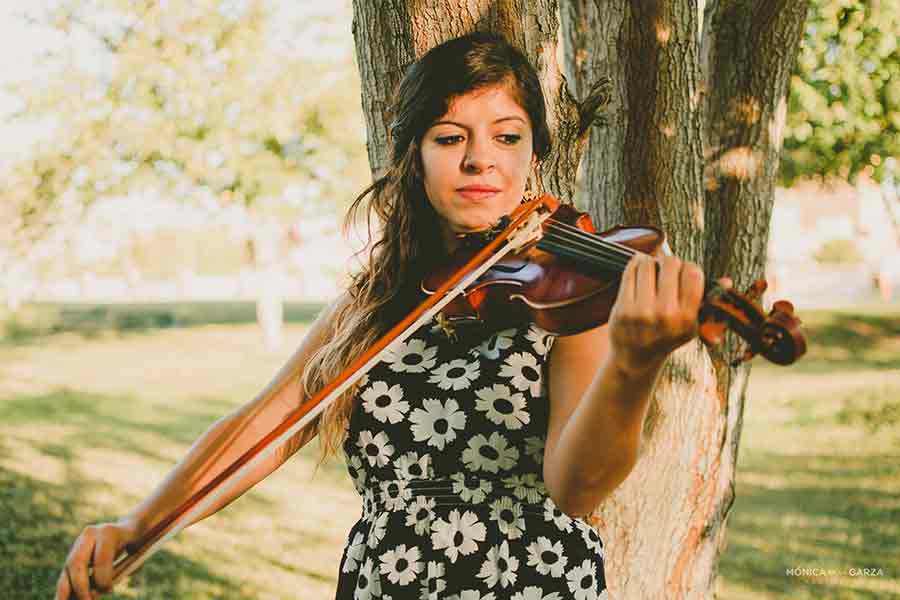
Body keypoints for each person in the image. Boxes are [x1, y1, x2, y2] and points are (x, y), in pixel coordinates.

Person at [56, 31, 705, 600]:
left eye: (508, 136)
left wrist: (633, 365)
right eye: (450, 137)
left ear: (534, 154)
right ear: (413, 157)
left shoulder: (568, 297)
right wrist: (137, 524)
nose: (481, 159)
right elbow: (261, 426)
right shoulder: (379, 297)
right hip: (387, 580)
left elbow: (577, 487)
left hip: (527, 581)